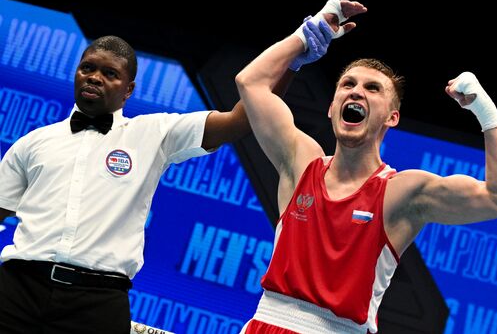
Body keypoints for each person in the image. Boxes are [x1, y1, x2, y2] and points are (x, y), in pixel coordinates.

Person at [0, 31, 330, 334]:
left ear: (128, 89)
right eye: (88, 68)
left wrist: (292, 59)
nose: (95, 78)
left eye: (110, 73)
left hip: (97, 302)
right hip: (18, 290)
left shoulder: (154, 133)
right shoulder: (33, 143)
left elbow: (241, 120)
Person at [235, 0, 497, 334]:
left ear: (392, 117)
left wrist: (486, 114)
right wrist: (305, 35)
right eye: (348, 84)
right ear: (331, 108)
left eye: (372, 89)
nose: (357, 92)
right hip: (264, 324)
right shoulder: (301, 161)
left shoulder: (402, 192)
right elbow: (250, 82)